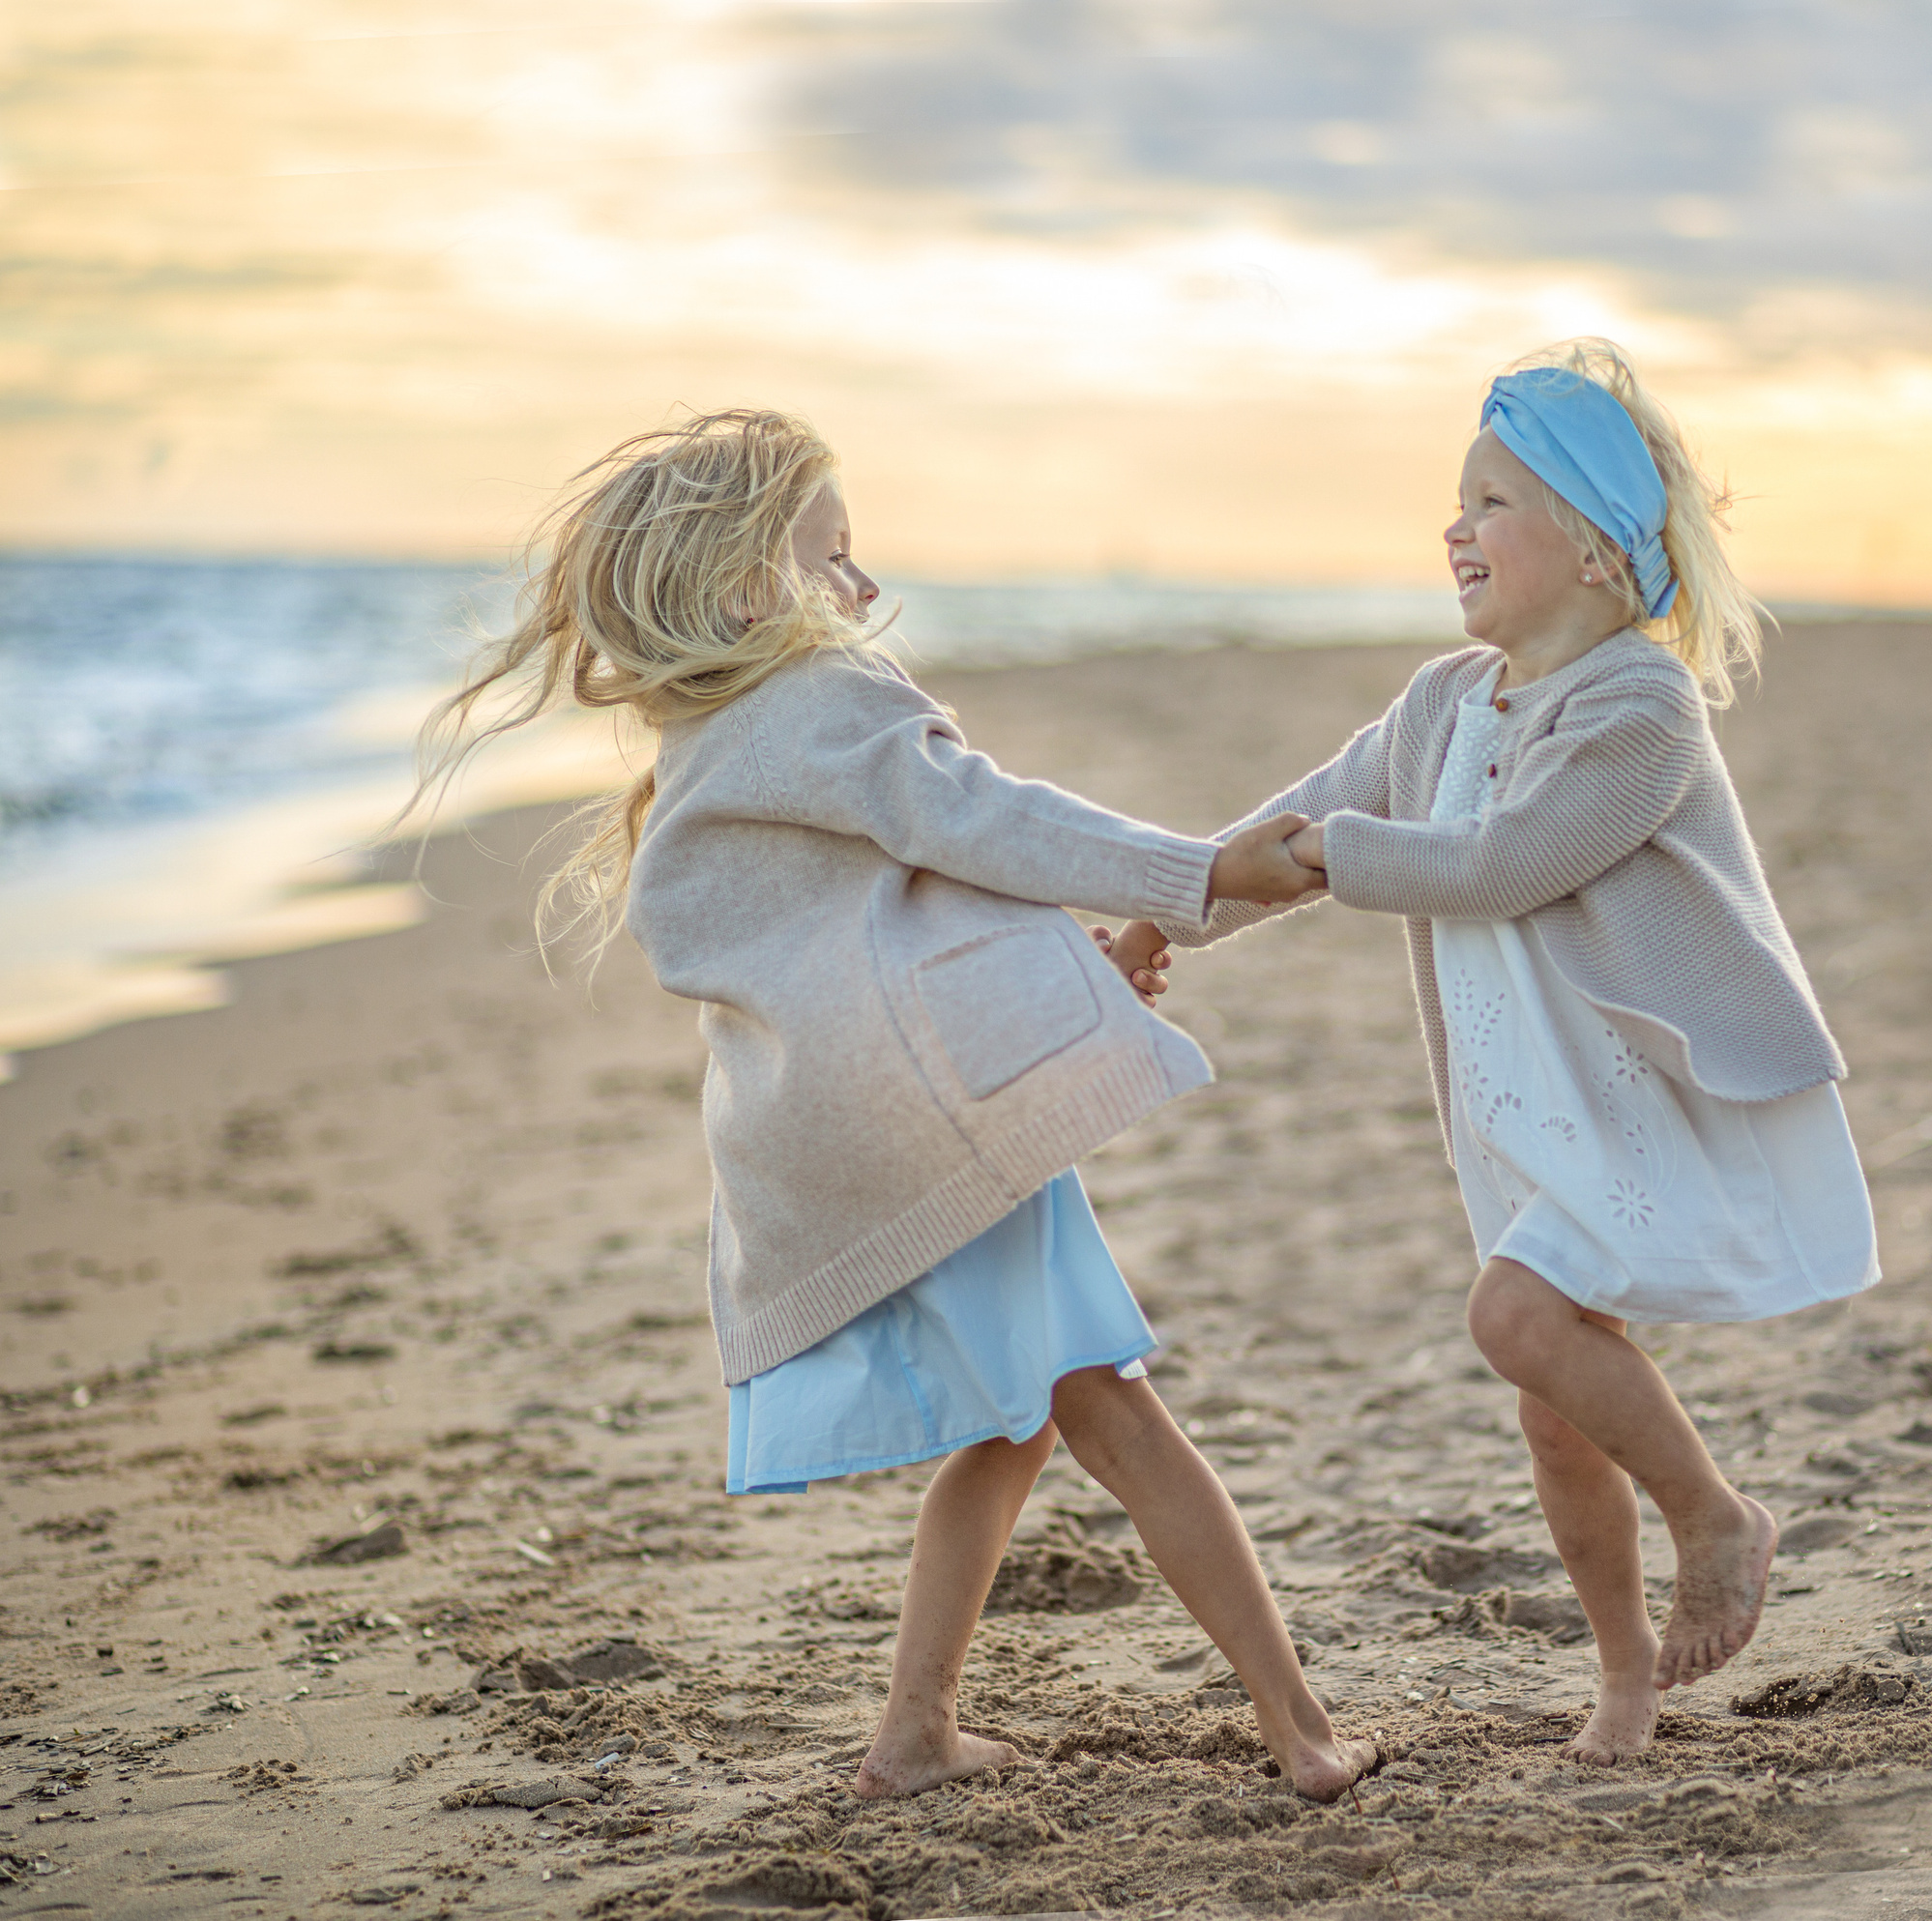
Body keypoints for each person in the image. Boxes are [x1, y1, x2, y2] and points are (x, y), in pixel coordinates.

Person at [405, 408, 1375, 1802]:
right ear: (750, 588)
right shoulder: (821, 698)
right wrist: (1201, 873)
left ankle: (915, 1733)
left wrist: (1068, 984)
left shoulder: (710, 742)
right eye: (835, 557)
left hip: (814, 1134)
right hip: (922, 1128)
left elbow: (876, 936)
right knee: (1114, 1403)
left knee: (1021, 1416)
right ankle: (1303, 1729)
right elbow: (985, 823)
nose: (863, 590)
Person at [1106, 340, 1879, 1764]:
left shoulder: (1645, 710)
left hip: (1635, 1099)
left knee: (1516, 1319)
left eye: (1494, 501)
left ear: (1594, 551)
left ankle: (1717, 1516)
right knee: (1554, 1418)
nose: (1455, 526)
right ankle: (1629, 1676)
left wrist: (1342, 854)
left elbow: (1509, 861)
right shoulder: (1438, 705)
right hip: (1522, 1111)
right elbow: (1300, 822)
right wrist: (1175, 910)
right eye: (1455, 500)